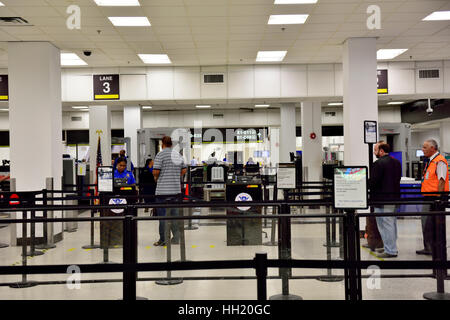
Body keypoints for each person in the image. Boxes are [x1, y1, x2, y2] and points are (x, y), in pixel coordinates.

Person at [152, 136, 187, 246]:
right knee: (175, 216)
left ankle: (163, 239)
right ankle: (176, 238)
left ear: (162, 143)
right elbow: (184, 169)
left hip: (162, 192)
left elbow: (156, 171)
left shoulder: (160, 154)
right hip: (176, 191)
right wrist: (175, 175)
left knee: (163, 217)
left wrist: (156, 178)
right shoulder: (178, 155)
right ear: (171, 144)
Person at [369, 141, 402, 258]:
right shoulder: (397, 163)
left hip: (381, 200)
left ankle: (391, 250)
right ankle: (390, 246)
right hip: (393, 198)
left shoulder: (378, 164)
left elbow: (373, 182)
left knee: (384, 224)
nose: (374, 152)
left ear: (381, 151)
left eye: (375, 150)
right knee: (391, 223)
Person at [417, 139, 449, 255]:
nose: (422, 149)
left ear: (433, 148)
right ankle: (429, 247)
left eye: (425, 147)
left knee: (429, 223)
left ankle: (431, 248)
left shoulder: (439, 161)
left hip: (434, 199)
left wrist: (438, 198)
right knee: (426, 222)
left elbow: (441, 180)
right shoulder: (431, 161)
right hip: (428, 197)